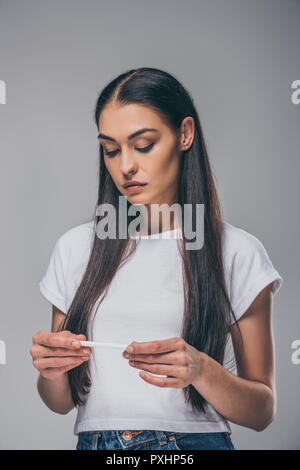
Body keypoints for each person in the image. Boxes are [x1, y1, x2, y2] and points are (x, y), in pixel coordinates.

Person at [31, 67, 283, 450]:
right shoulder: (75, 248)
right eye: (110, 150)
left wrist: (201, 370)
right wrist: (51, 371)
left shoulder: (236, 251)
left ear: (185, 134)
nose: (125, 166)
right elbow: (60, 401)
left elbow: (261, 410)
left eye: (143, 145)